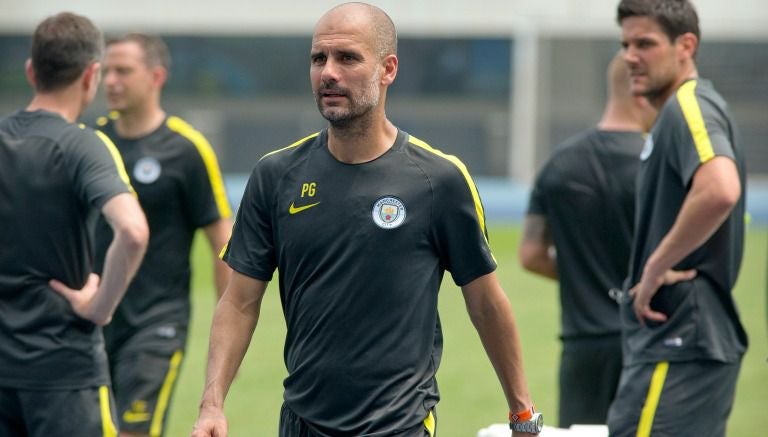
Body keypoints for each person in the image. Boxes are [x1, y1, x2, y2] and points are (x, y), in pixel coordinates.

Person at [192, 2, 541, 436]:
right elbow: (240, 300)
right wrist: (212, 404)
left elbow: (486, 303)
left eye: (347, 58)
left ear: (388, 69)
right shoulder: (275, 175)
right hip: (301, 423)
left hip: (399, 424)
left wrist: (522, 415)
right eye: (319, 59)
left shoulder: (438, 180)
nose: (328, 73)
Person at [0, 12, 149, 436]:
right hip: (65, 372)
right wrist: (99, 306)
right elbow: (133, 231)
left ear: (32, 71)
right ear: (92, 75)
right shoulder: (84, 145)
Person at [607, 1, 747, 436]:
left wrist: (654, 268)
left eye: (645, 43)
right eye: (626, 44)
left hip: (679, 336)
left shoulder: (688, 106)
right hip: (684, 337)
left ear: (686, 45)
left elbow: (720, 188)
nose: (631, 55)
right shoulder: (680, 113)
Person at [93, 33, 233, 437]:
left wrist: (223, 343)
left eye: (123, 71)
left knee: (134, 431)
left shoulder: (187, 149)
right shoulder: (93, 143)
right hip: (93, 318)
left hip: (156, 323)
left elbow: (223, 245)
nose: (111, 81)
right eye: (106, 71)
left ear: (156, 76)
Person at [518, 52, 656, 428]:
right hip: (648, 340)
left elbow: (530, 254)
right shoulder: (656, 164)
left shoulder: (559, 163)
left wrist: (583, 276)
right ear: (643, 91)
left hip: (582, 348)